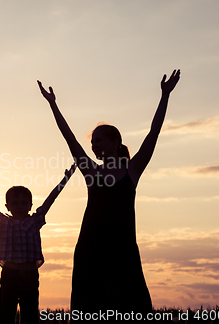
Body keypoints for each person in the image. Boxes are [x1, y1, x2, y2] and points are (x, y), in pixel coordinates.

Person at [37, 70, 181, 318]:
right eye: (92, 142)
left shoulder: (132, 170)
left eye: (99, 141)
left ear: (116, 142)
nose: (93, 146)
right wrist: (53, 105)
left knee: (130, 306)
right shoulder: (91, 171)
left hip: (123, 247)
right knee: (91, 307)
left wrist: (165, 95)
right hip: (91, 247)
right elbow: (69, 138)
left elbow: (153, 133)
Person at [0, 164, 77, 324]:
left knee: (30, 315)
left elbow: (51, 199)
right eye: (15, 203)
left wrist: (65, 179)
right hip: (9, 275)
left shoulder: (34, 220)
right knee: (6, 313)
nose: (19, 207)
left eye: (24, 203)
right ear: (7, 206)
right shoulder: (3, 221)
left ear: (30, 205)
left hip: (30, 276)